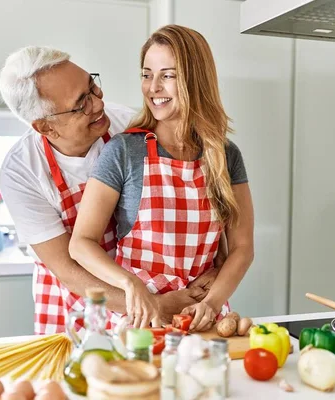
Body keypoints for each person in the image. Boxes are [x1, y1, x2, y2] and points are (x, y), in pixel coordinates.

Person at [0, 45, 218, 335]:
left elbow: (187, 202)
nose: (98, 105)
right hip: (74, 299)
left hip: (143, 290)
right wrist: (152, 303)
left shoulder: (126, 126)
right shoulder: (22, 172)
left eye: (93, 87)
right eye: (81, 104)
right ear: (46, 127)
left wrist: (215, 267)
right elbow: (67, 268)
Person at [69, 25, 255, 332]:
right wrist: (130, 285)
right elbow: (80, 244)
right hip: (141, 320)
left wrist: (210, 304)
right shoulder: (124, 151)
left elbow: (243, 247)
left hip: (201, 318)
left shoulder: (224, 155)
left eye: (167, 75)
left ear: (195, 81)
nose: (153, 86)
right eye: (146, 74)